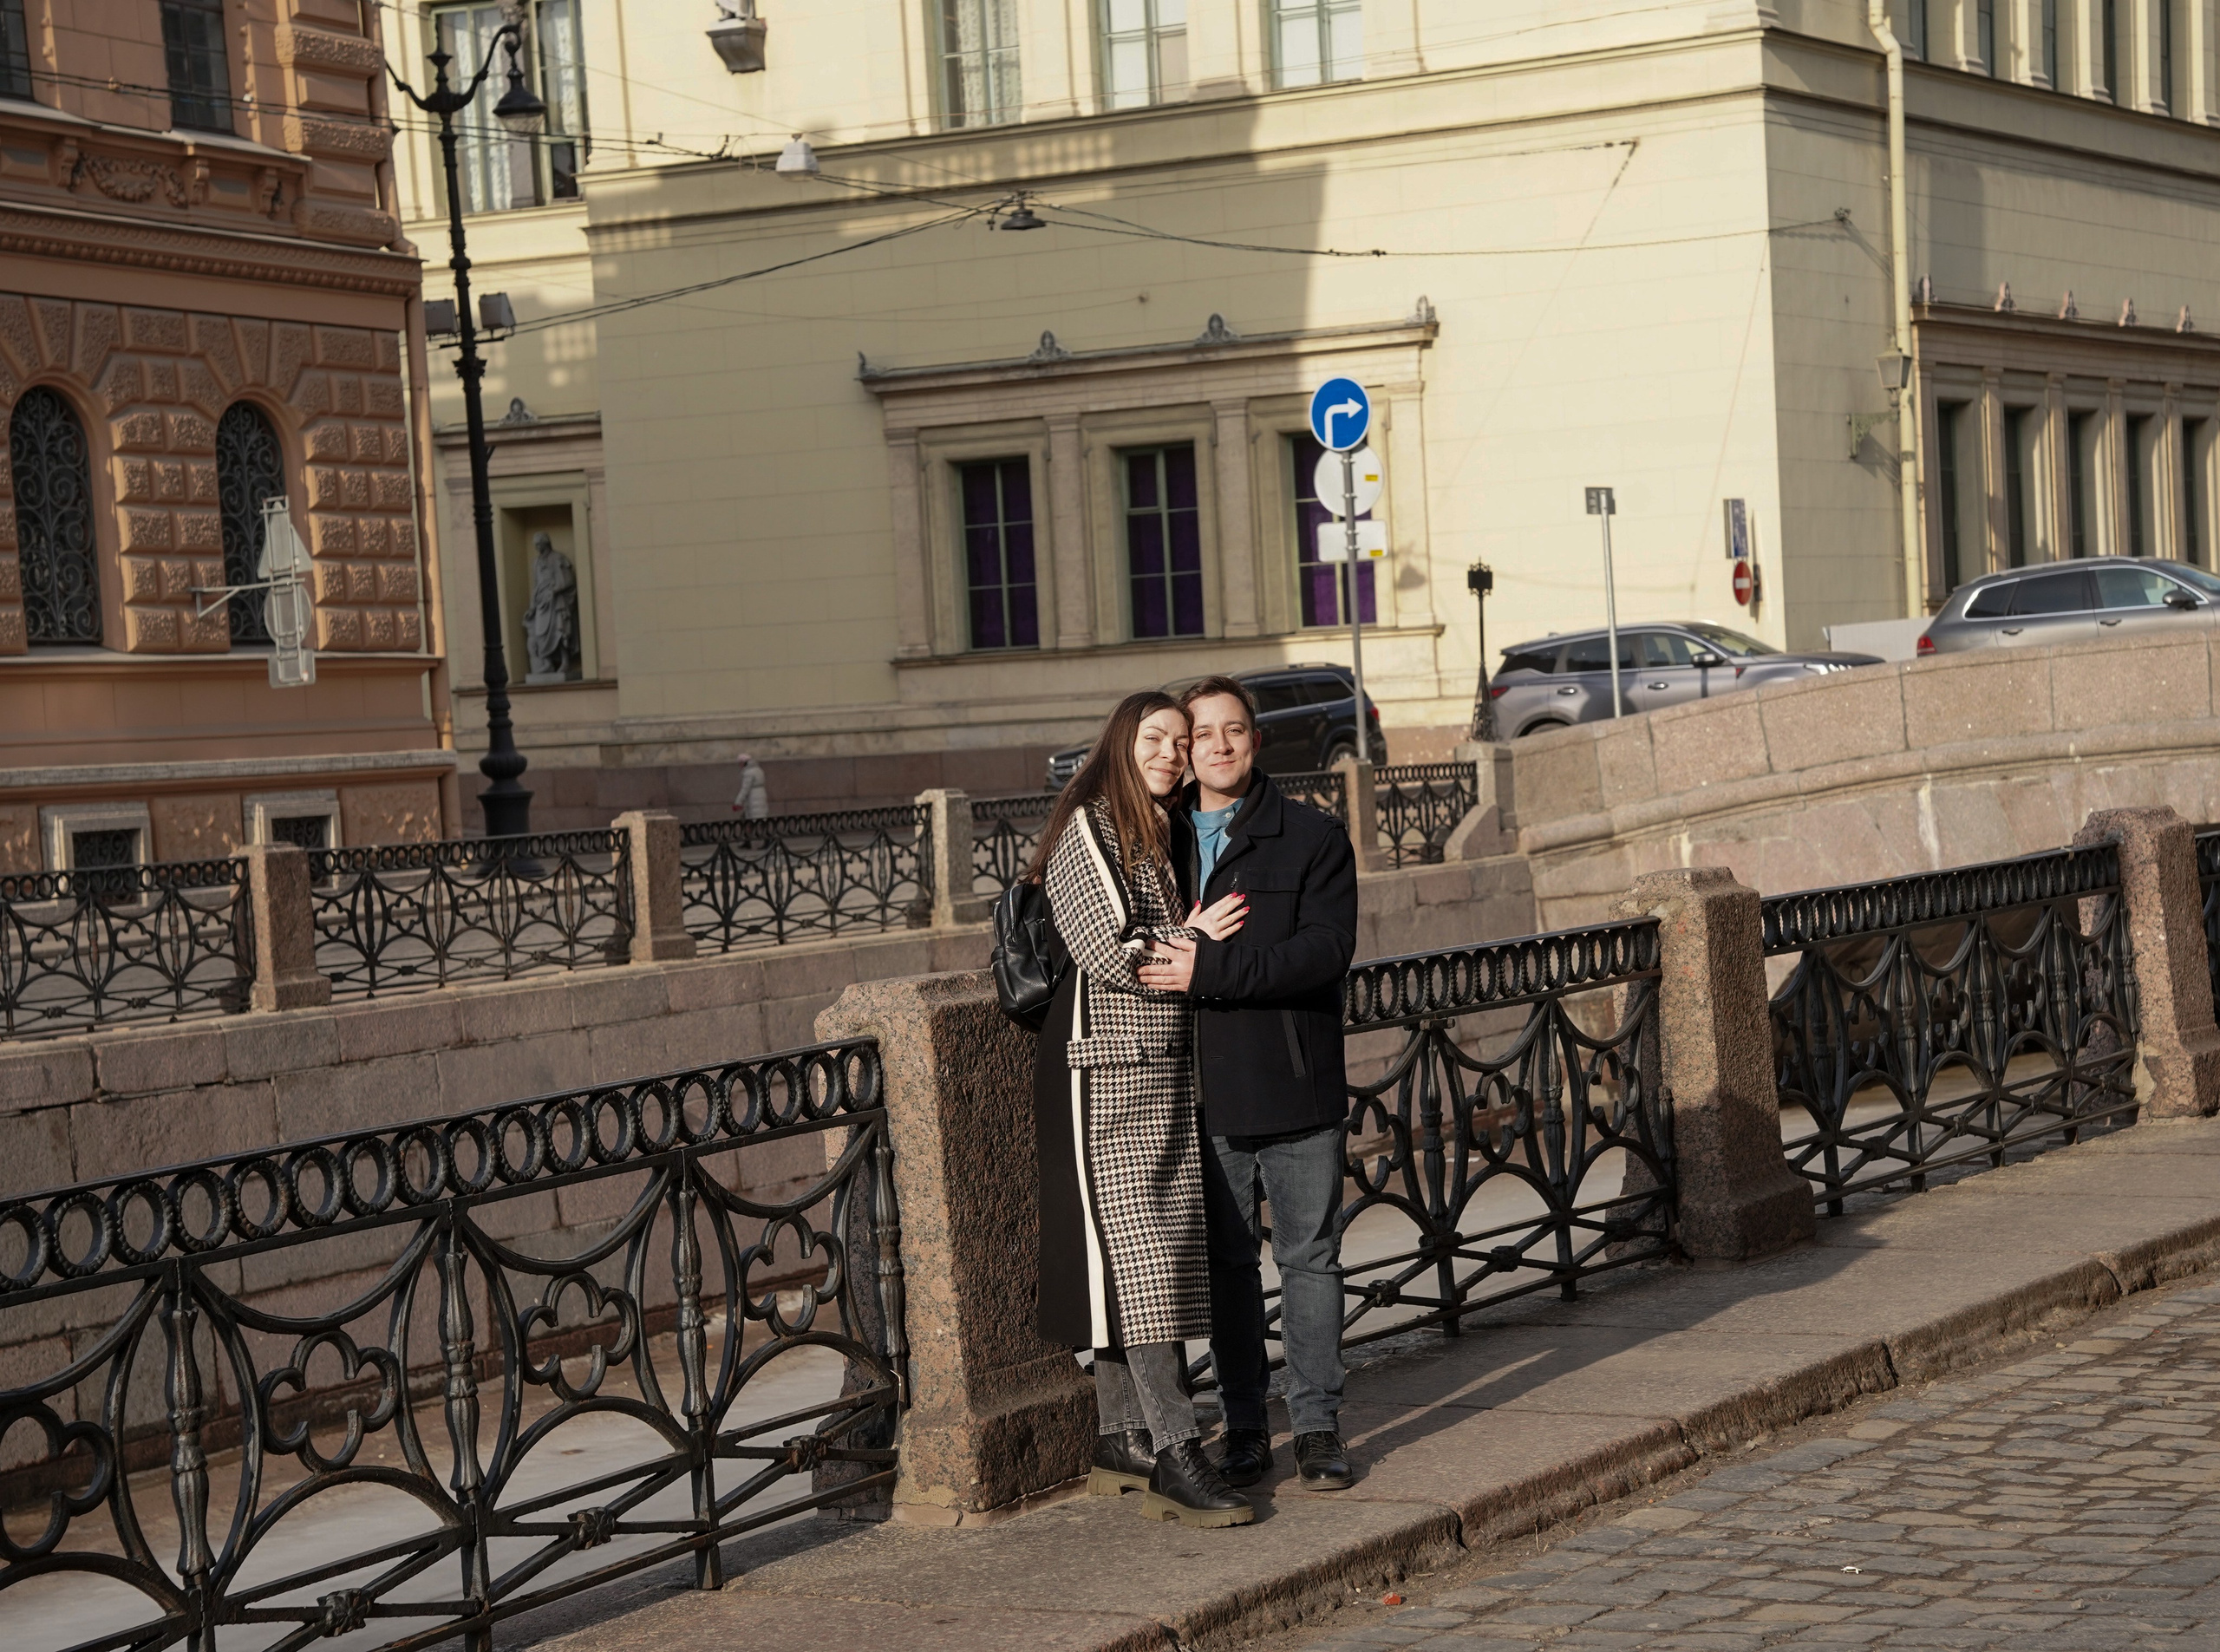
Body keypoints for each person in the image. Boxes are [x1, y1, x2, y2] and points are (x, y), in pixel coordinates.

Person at [1029, 690, 1253, 1528]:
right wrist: (1196, 941)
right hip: (1102, 1069)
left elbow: (1149, 940)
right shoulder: (1090, 822)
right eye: (1153, 739)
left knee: (1141, 1261)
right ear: (1120, 744)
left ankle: (1120, 1436)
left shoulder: (1151, 833)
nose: (1169, 754)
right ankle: (1175, 1448)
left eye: (1178, 742)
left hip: (1156, 1068)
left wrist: (1187, 934)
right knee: (1146, 1264)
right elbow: (1111, 950)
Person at [1140, 675, 1360, 1492]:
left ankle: (1316, 1426)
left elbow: (1324, 952)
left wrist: (1212, 965)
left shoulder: (1310, 835)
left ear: (1256, 742)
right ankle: (1243, 1427)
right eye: (1204, 734)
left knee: (1310, 1258)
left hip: (1295, 1081)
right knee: (1228, 1268)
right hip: (1199, 1090)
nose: (1221, 745)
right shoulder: (1152, 843)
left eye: (1236, 730)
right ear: (1185, 749)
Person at [730, 754, 769, 819]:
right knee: (761, 817)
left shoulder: (749, 773)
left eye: (740, 763)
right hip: (761, 796)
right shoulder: (759, 770)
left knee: (753, 819)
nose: (739, 766)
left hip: (753, 799)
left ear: (744, 763)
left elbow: (745, 789)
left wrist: (738, 802)